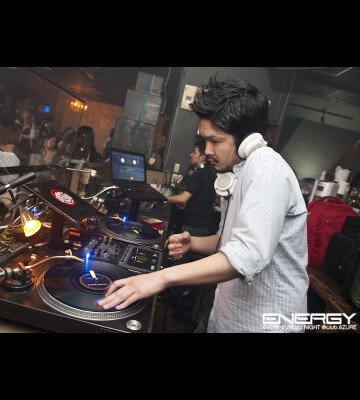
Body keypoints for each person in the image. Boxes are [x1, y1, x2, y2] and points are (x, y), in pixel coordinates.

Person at [98, 74, 309, 333]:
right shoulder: (240, 173)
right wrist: (194, 244)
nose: (207, 150)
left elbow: (248, 255)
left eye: (215, 140)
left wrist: (160, 278)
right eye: (205, 139)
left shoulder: (267, 167)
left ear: (247, 140)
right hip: (226, 318)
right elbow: (227, 241)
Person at [166, 137, 216, 238]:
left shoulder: (199, 174)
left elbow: (182, 198)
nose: (191, 154)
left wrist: (162, 198)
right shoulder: (210, 173)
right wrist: (189, 206)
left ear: (202, 157)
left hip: (193, 227)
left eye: (194, 152)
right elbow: (202, 200)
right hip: (204, 226)